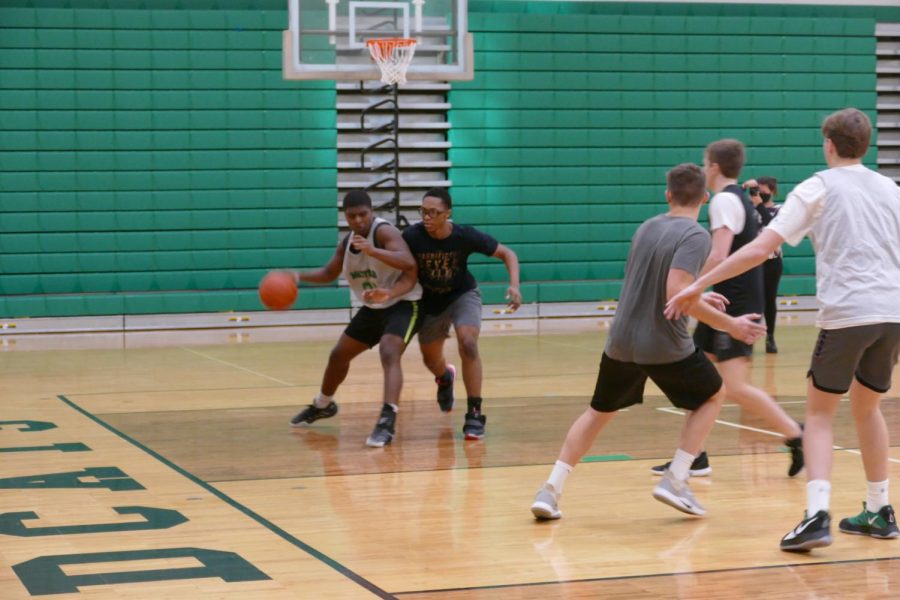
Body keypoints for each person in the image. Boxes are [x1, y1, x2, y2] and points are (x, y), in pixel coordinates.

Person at [666, 108, 900, 551]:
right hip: (892, 312)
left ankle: (816, 517)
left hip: (849, 312)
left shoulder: (819, 186)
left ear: (828, 143)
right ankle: (879, 509)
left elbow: (760, 248)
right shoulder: (890, 188)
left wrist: (698, 283)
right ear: (866, 145)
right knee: (868, 408)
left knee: (819, 414)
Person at [530, 163, 767, 521]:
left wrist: (699, 293)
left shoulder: (647, 227)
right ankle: (677, 477)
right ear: (705, 197)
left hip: (621, 341)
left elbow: (662, 284)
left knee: (597, 413)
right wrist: (730, 324)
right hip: (662, 343)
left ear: (668, 194)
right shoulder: (696, 235)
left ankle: (550, 490)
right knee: (713, 394)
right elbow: (675, 293)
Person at [652, 140, 803, 479]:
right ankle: (694, 456)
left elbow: (719, 254)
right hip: (732, 297)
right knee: (699, 380)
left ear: (715, 168)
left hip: (733, 304)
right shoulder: (740, 199)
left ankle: (797, 434)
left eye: (706, 164)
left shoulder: (722, 200)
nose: (704, 170)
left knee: (734, 386)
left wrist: (691, 287)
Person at [289, 190, 422, 448]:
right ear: (346, 217)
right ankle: (323, 405)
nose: (359, 220)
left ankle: (387, 419)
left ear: (371, 212)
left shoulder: (384, 233)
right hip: (374, 307)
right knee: (339, 355)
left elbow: (408, 262)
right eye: (353, 216)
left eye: (363, 214)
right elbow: (329, 273)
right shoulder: (347, 242)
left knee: (389, 351)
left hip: (403, 302)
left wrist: (374, 251)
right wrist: (295, 276)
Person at [402, 187, 522, 440]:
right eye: (423, 211)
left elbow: (507, 254)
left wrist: (514, 285)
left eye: (433, 212)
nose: (426, 217)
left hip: (461, 295)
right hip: (430, 301)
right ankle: (444, 378)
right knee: (431, 361)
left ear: (447, 214)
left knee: (468, 343)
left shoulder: (464, 235)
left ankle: (474, 413)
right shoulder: (411, 236)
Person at [744, 176, 784, 353]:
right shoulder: (749, 210)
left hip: (772, 261)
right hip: (753, 261)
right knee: (752, 301)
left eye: (764, 192)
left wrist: (760, 205)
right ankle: (749, 338)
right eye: (757, 191)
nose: (760, 195)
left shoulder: (780, 209)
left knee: (769, 300)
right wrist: (741, 189)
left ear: (773, 191)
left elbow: (772, 226)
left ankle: (770, 337)